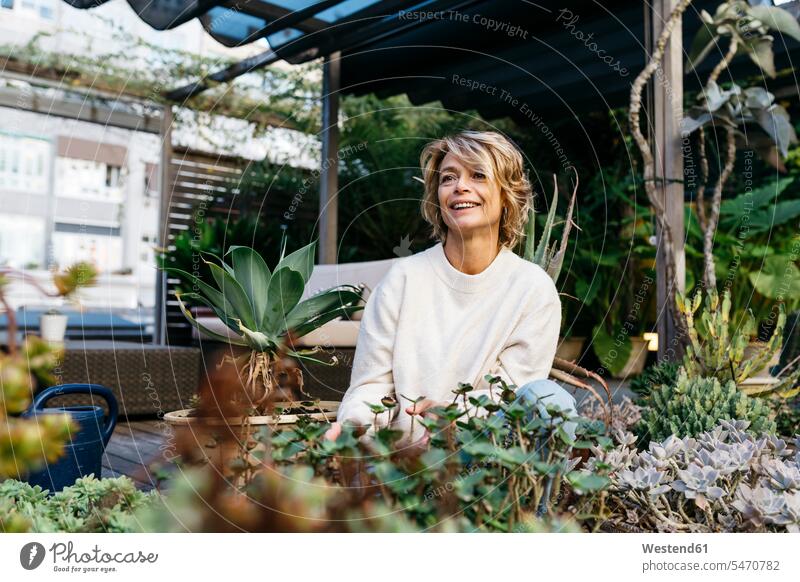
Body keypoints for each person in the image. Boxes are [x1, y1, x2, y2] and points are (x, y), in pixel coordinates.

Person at [325, 130, 577, 446]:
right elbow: (370, 387)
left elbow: (516, 398)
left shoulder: (532, 289)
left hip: (489, 455)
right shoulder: (402, 280)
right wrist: (353, 427)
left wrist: (451, 416)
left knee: (551, 398)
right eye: (448, 178)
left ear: (507, 196)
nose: (460, 186)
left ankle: (523, 496)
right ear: (437, 197)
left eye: (478, 175)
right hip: (404, 462)